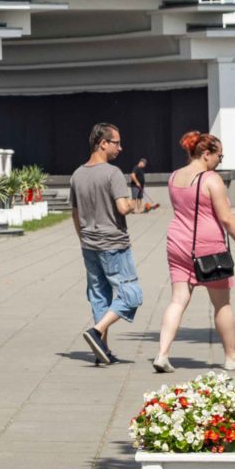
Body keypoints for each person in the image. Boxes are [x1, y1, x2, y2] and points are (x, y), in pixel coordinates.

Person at [151, 130, 235, 374]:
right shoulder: (210, 179)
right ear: (205, 154)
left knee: (178, 300)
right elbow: (226, 218)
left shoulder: (174, 177)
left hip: (178, 243)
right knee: (222, 304)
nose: (219, 162)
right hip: (208, 249)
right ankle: (231, 356)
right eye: (219, 157)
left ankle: (162, 354)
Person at [71, 122, 160, 366]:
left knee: (100, 297)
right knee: (132, 295)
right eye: (116, 142)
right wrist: (135, 205)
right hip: (114, 245)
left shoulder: (77, 174)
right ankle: (96, 332)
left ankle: (102, 350)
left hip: (89, 244)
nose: (120, 147)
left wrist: (83, 238)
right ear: (103, 143)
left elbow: (75, 213)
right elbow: (123, 207)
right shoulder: (112, 173)